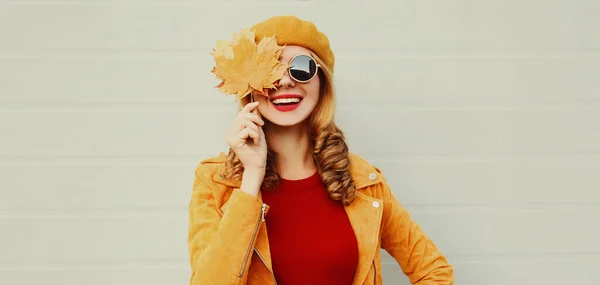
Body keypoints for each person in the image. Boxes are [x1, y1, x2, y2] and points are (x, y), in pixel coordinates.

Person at [188, 15, 454, 285]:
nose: (284, 81)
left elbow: (434, 272)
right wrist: (251, 178)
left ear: (322, 83)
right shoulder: (215, 184)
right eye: (269, 69)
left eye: (301, 68)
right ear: (249, 89)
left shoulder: (364, 181)